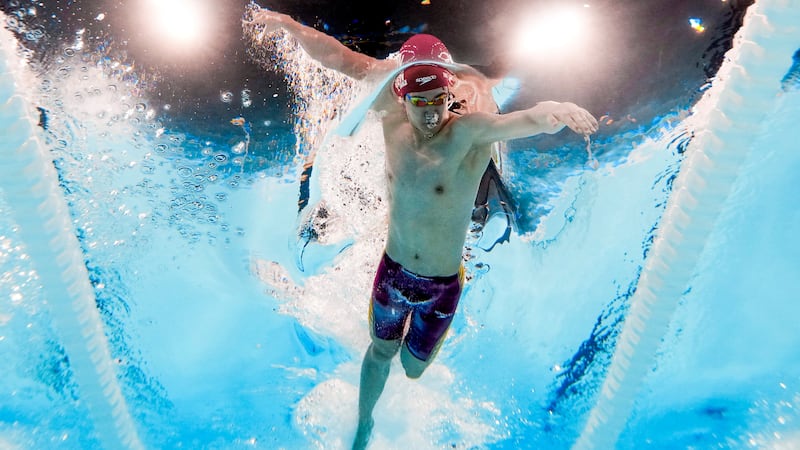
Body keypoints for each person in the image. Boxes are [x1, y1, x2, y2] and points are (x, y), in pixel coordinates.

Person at [247, 8, 598, 449]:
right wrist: (293, 29)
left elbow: (523, 121)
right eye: (420, 104)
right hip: (391, 274)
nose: (431, 115)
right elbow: (339, 58)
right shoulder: (391, 118)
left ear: (449, 96)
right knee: (380, 353)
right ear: (402, 98)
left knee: (412, 370)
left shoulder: (468, 132)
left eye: (438, 103)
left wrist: (554, 109)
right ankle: (364, 425)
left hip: (441, 287)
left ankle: (418, 352)